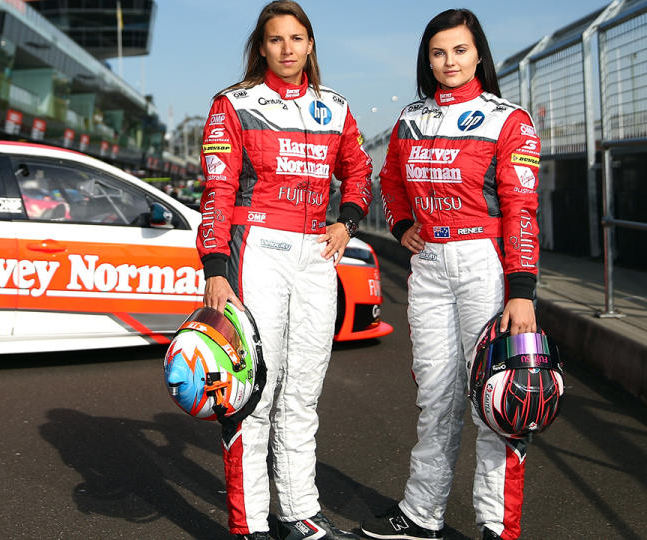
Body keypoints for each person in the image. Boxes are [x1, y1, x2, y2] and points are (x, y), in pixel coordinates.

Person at [360, 9, 541, 540]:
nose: (449, 62)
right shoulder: (411, 119)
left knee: (497, 399)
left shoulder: (509, 119)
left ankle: (496, 526)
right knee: (435, 397)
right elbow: (389, 179)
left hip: (485, 263)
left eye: (459, 50)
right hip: (430, 265)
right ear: (428, 59)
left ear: (478, 53)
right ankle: (421, 515)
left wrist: (522, 290)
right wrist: (401, 224)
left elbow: (521, 209)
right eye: (438, 53)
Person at [195, 2, 372, 539]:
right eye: (276, 40)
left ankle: (299, 514)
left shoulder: (336, 108)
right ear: (262, 47)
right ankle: (247, 523)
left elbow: (360, 173)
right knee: (254, 389)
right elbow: (217, 191)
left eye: (297, 38)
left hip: (318, 253)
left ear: (311, 44)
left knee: (303, 392)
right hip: (258, 250)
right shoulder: (234, 103)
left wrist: (347, 222)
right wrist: (215, 266)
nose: (288, 48)